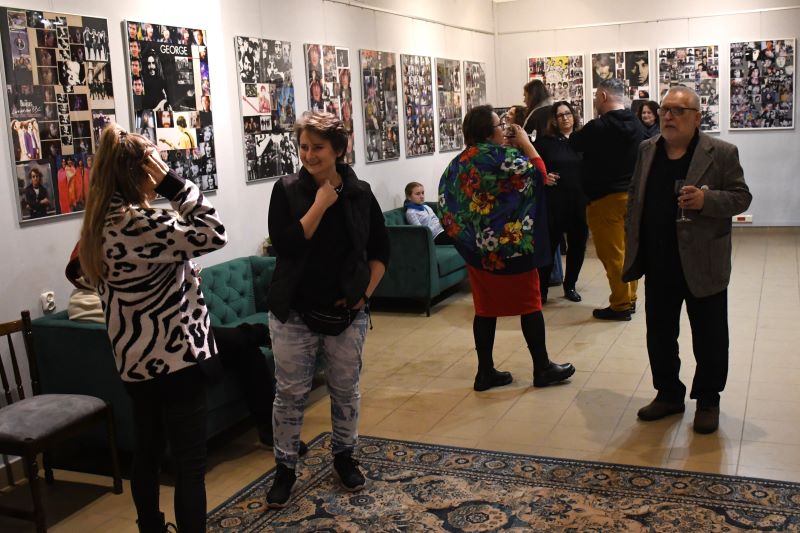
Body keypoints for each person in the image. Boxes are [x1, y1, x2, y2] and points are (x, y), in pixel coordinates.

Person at [78, 125, 227, 532]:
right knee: (189, 465)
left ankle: (151, 527)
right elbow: (215, 232)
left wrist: (179, 274)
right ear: (141, 172)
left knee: (147, 453)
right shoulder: (140, 222)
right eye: (157, 164)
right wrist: (174, 184)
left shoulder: (97, 226)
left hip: (135, 365)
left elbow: (126, 280)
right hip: (176, 360)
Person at [265, 112, 389, 507]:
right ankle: (285, 468)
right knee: (289, 393)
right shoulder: (286, 190)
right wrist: (319, 204)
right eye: (303, 147)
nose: (309, 155)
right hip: (293, 311)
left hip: (347, 314)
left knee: (345, 389)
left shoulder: (360, 193)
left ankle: (344, 457)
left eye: (317, 147)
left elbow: (381, 251)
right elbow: (285, 246)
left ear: (338, 149)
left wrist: (363, 295)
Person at [622, 86, 752, 434]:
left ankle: (708, 399)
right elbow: (635, 195)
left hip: (703, 261)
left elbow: (741, 197)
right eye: (665, 109)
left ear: (697, 118)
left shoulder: (721, 153)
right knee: (660, 334)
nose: (668, 116)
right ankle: (668, 394)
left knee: (710, 336)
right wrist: (632, 233)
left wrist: (706, 202)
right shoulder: (647, 149)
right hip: (658, 260)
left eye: (678, 111)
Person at [438, 104, 575, 392]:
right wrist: (525, 143)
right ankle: (542, 367)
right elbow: (538, 174)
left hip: (478, 250)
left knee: (485, 310)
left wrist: (467, 238)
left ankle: (484, 372)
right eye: (500, 126)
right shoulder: (505, 157)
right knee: (530, 305)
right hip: (512, 248)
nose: (504, 129)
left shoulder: (459, 162)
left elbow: (447, 202)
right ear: (489, 132)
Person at [569, 78, 645, 321]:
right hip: (632, 197)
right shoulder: (637, 124)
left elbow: (574, 142)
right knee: (628, 251)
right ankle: (630, 298)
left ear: (602, 96)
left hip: (604, 199)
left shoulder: (598, 127)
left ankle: (620, 305)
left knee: (613, 255)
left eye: (595, 97)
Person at [534, 101, 588, 304]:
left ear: (574, 115)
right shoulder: (545, 143)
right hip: (554, 202)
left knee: (577, 246)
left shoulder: (582, 140)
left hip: (579, 202)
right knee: (549, 247)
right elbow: (531, 167)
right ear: (554, 120)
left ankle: (570, 285)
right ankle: (542, 289)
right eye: (560, 115)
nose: (565, 118)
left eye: (568, 113)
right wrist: (543, 177)